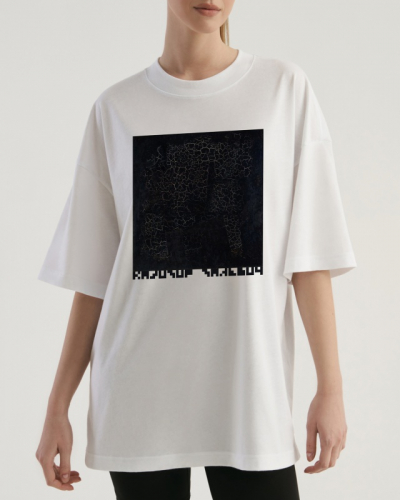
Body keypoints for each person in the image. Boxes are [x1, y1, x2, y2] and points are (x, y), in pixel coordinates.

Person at [35, 1, 357, 499]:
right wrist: (57, 407)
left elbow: (309, 259)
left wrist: (330, 389)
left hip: (249, 396)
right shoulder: (116, 109)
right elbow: (96, 280)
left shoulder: (283, 89)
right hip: (139, 400)